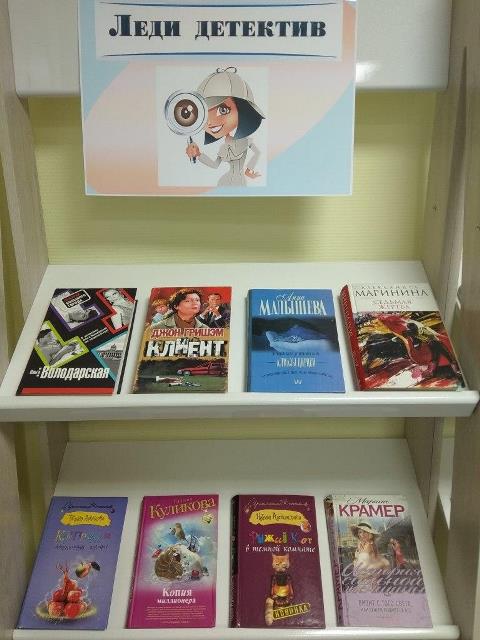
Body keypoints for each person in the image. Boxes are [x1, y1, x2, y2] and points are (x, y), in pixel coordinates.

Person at [185, 67, 265, 187]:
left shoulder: (245, 141)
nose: (210, 122)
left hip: (240, 182)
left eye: (223, 110)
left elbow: (257, 153)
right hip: (224, 182)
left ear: (243, 110)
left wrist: (249, 170)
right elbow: (215, 165)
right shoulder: (224, 147)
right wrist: (199, 154)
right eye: (205, 114)